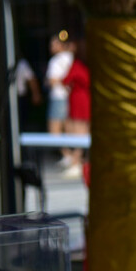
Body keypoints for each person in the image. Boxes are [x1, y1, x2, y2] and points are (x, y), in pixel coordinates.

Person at [61, 43, 91, 179]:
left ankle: (76, 162)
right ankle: (81, 161)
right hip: (87, 98)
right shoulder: (89, 64)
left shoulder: (77, 65)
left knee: (79, 133)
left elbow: (66, 80)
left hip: (78, 99)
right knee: (85, 130)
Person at [46, 31, 75, 168]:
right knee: (68, 128)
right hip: (70, 97)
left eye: (54, 43)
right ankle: (72, 156)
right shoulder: (72, 58)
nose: (51, 46)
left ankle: (68, 155)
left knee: (55, 130)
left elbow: (52, 81)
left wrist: (55, 82)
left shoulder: (56, 61)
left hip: (58, 97)